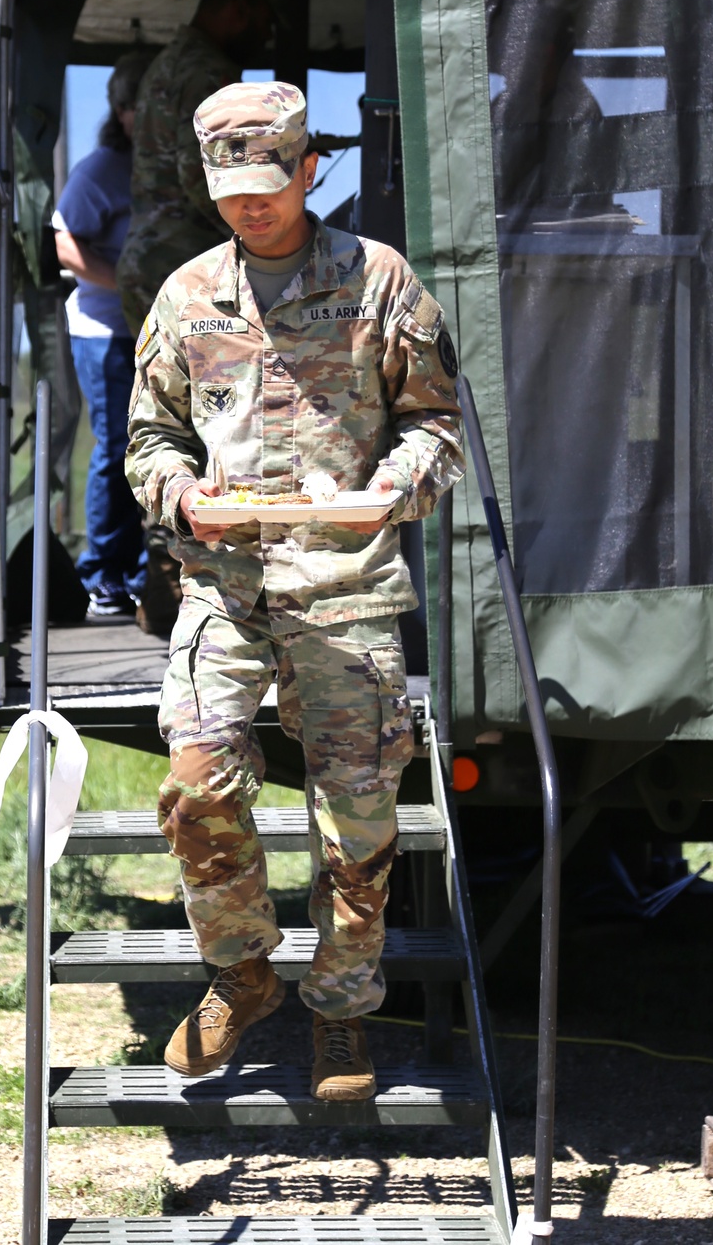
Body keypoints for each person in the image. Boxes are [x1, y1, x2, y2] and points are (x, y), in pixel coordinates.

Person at [126, 83, 465, 1103]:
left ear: (309, 169)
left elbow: (437, 427)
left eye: (267, 186)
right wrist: (186, 502)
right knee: (195, 775)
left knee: (355, 822)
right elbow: (149, 440)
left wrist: (384, 496)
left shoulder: (379, 279)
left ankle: (343, 1012)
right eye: (230, 192)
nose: (249, 207)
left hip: (345, 587)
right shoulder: (185, 296)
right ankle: (241, 969)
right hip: (224, 587)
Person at [116, 0, 281, 635]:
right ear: (235, 8)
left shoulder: (168, 62)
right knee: (212, 423)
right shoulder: (208, 74)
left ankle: (170, 573)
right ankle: (195, 582)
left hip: (151, 260)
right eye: (258, 18)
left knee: (170, 422)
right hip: (184, 270)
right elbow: (204, 183)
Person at [53, 51, 154, 616]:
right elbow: (65, 243)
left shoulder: (171, 167)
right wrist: (128, 287)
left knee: (161, 448)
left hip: (166, 334)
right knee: (118, 448)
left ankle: (147, 573)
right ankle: (104, 576)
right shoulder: (100, 171)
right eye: (144, 109)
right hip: (107, 332)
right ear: (121, 113)